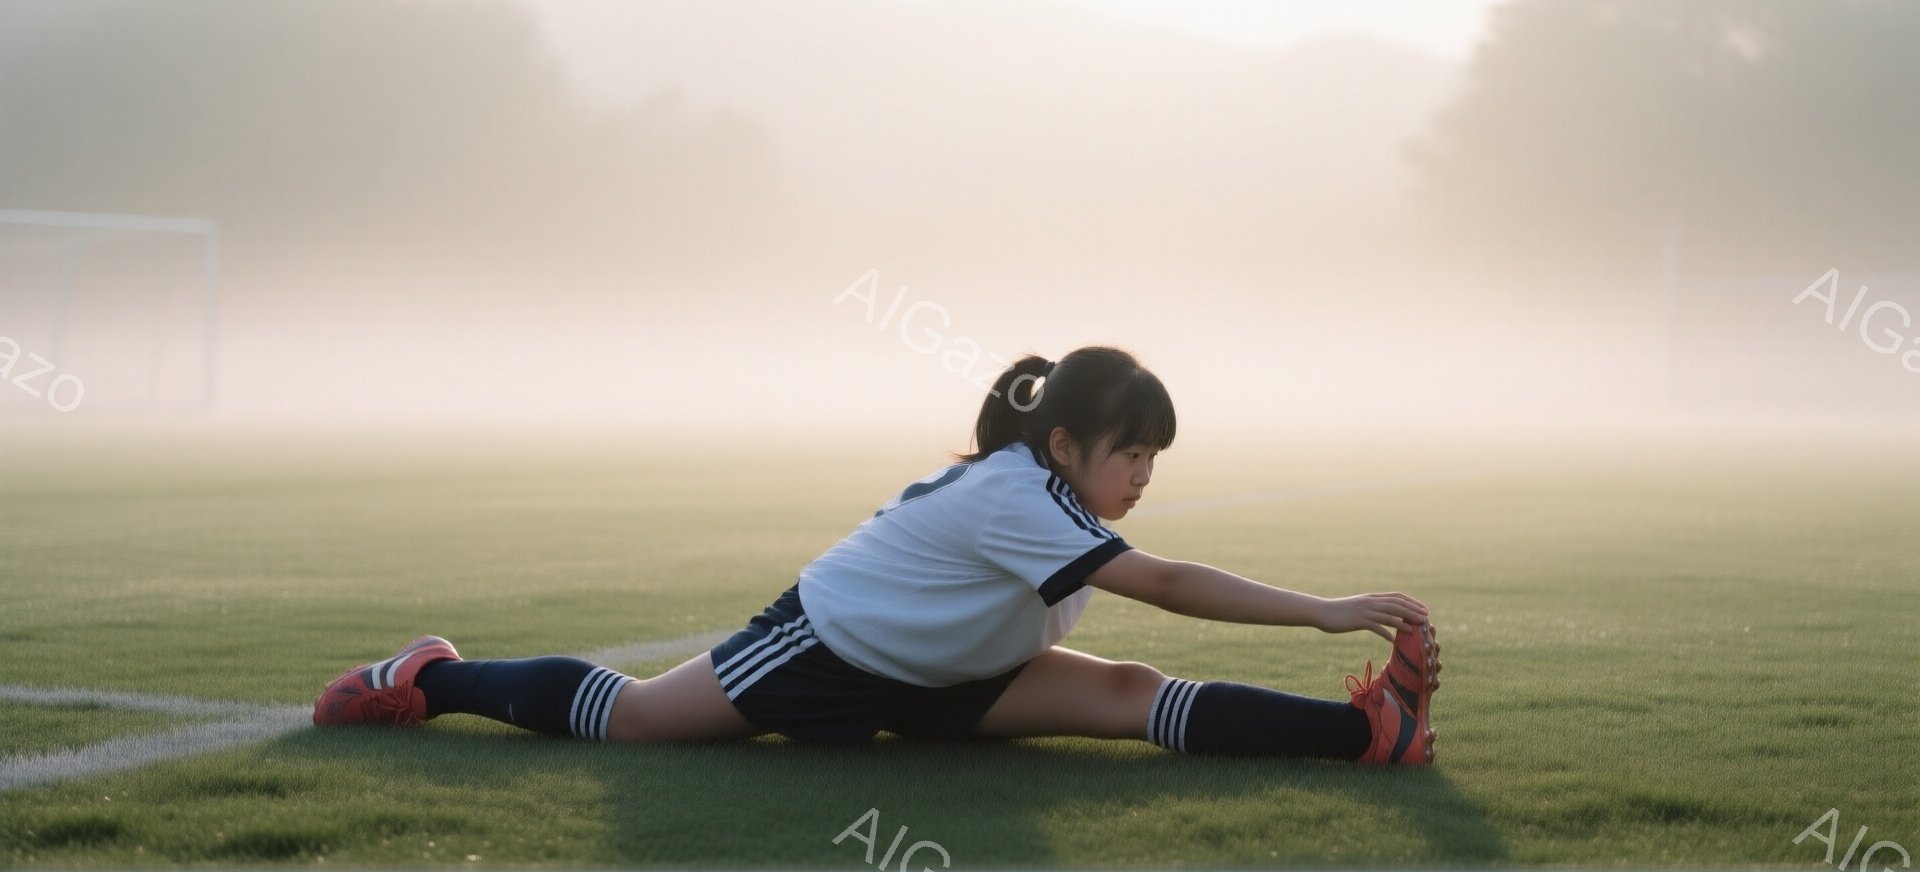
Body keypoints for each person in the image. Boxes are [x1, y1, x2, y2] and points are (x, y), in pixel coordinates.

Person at [314, 346, 1440, 764]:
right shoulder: (1020, 495)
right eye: (1130, 451)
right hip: (832, 646)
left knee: (1133, 698)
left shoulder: (1057, 498)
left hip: (958, 667)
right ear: (1063, 444)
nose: (1144, 472)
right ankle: (428, 677)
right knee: (635, 722)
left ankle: (1367, 732)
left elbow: (1140, 569)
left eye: (1155, 454)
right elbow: (1164, 583)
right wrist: (1327, 610)